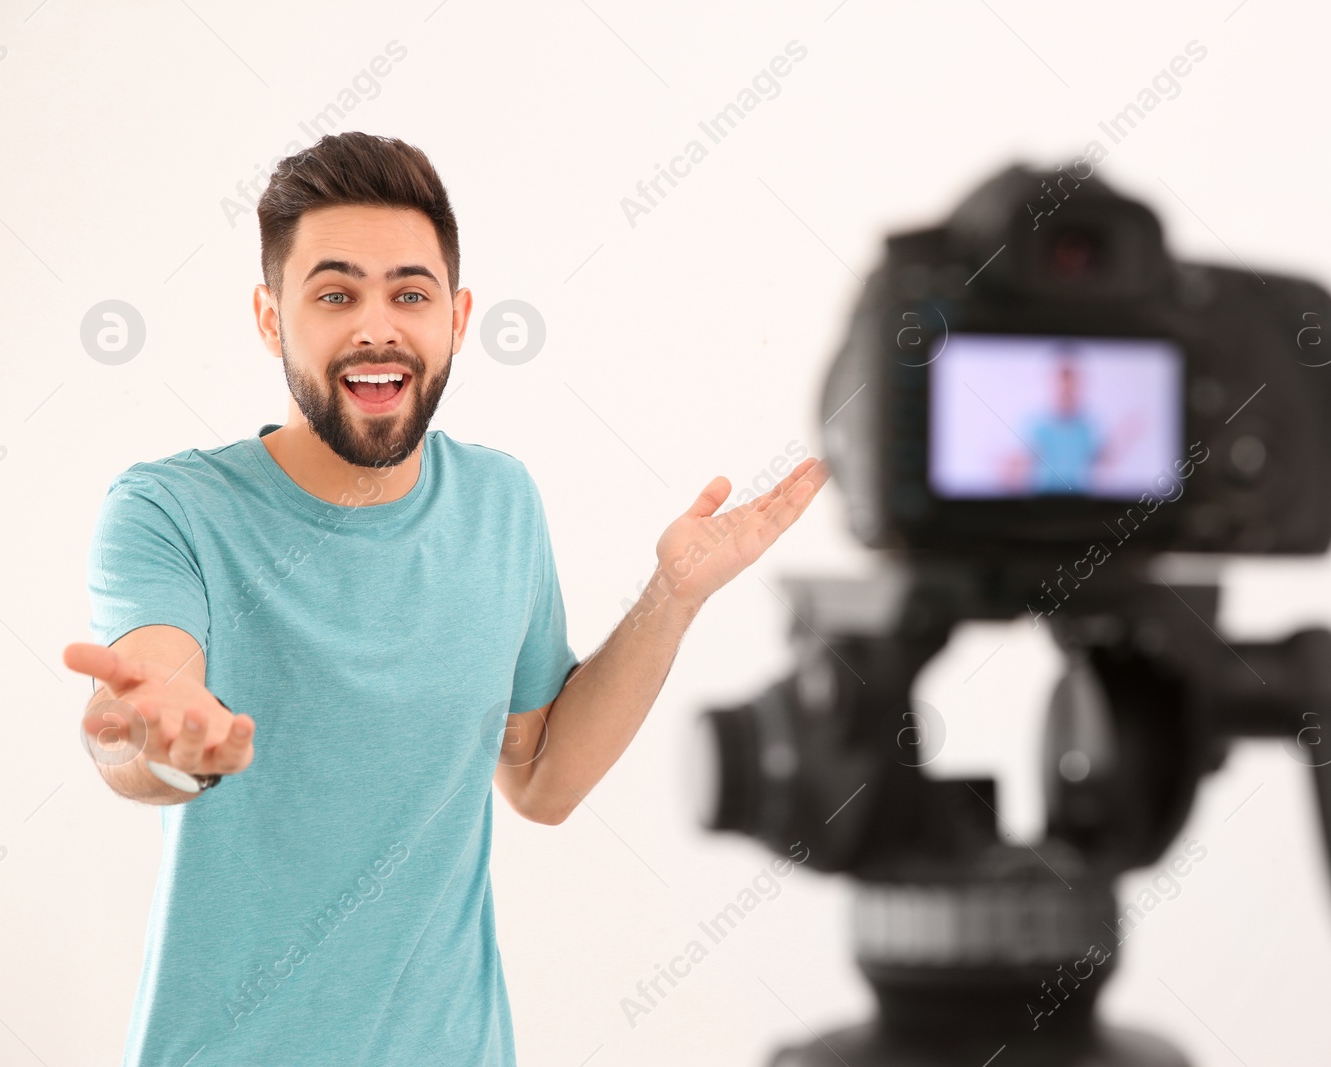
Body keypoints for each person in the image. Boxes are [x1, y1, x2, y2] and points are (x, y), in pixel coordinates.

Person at [64, 131, 827, 1067]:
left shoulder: (501, 502)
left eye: (409, 294)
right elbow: (151, 704)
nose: (377, 327)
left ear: (458, 317)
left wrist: (672, 596)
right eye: (335, 294)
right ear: (271, 318)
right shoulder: (170, 508)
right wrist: (169, 743)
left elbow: (540, 779)